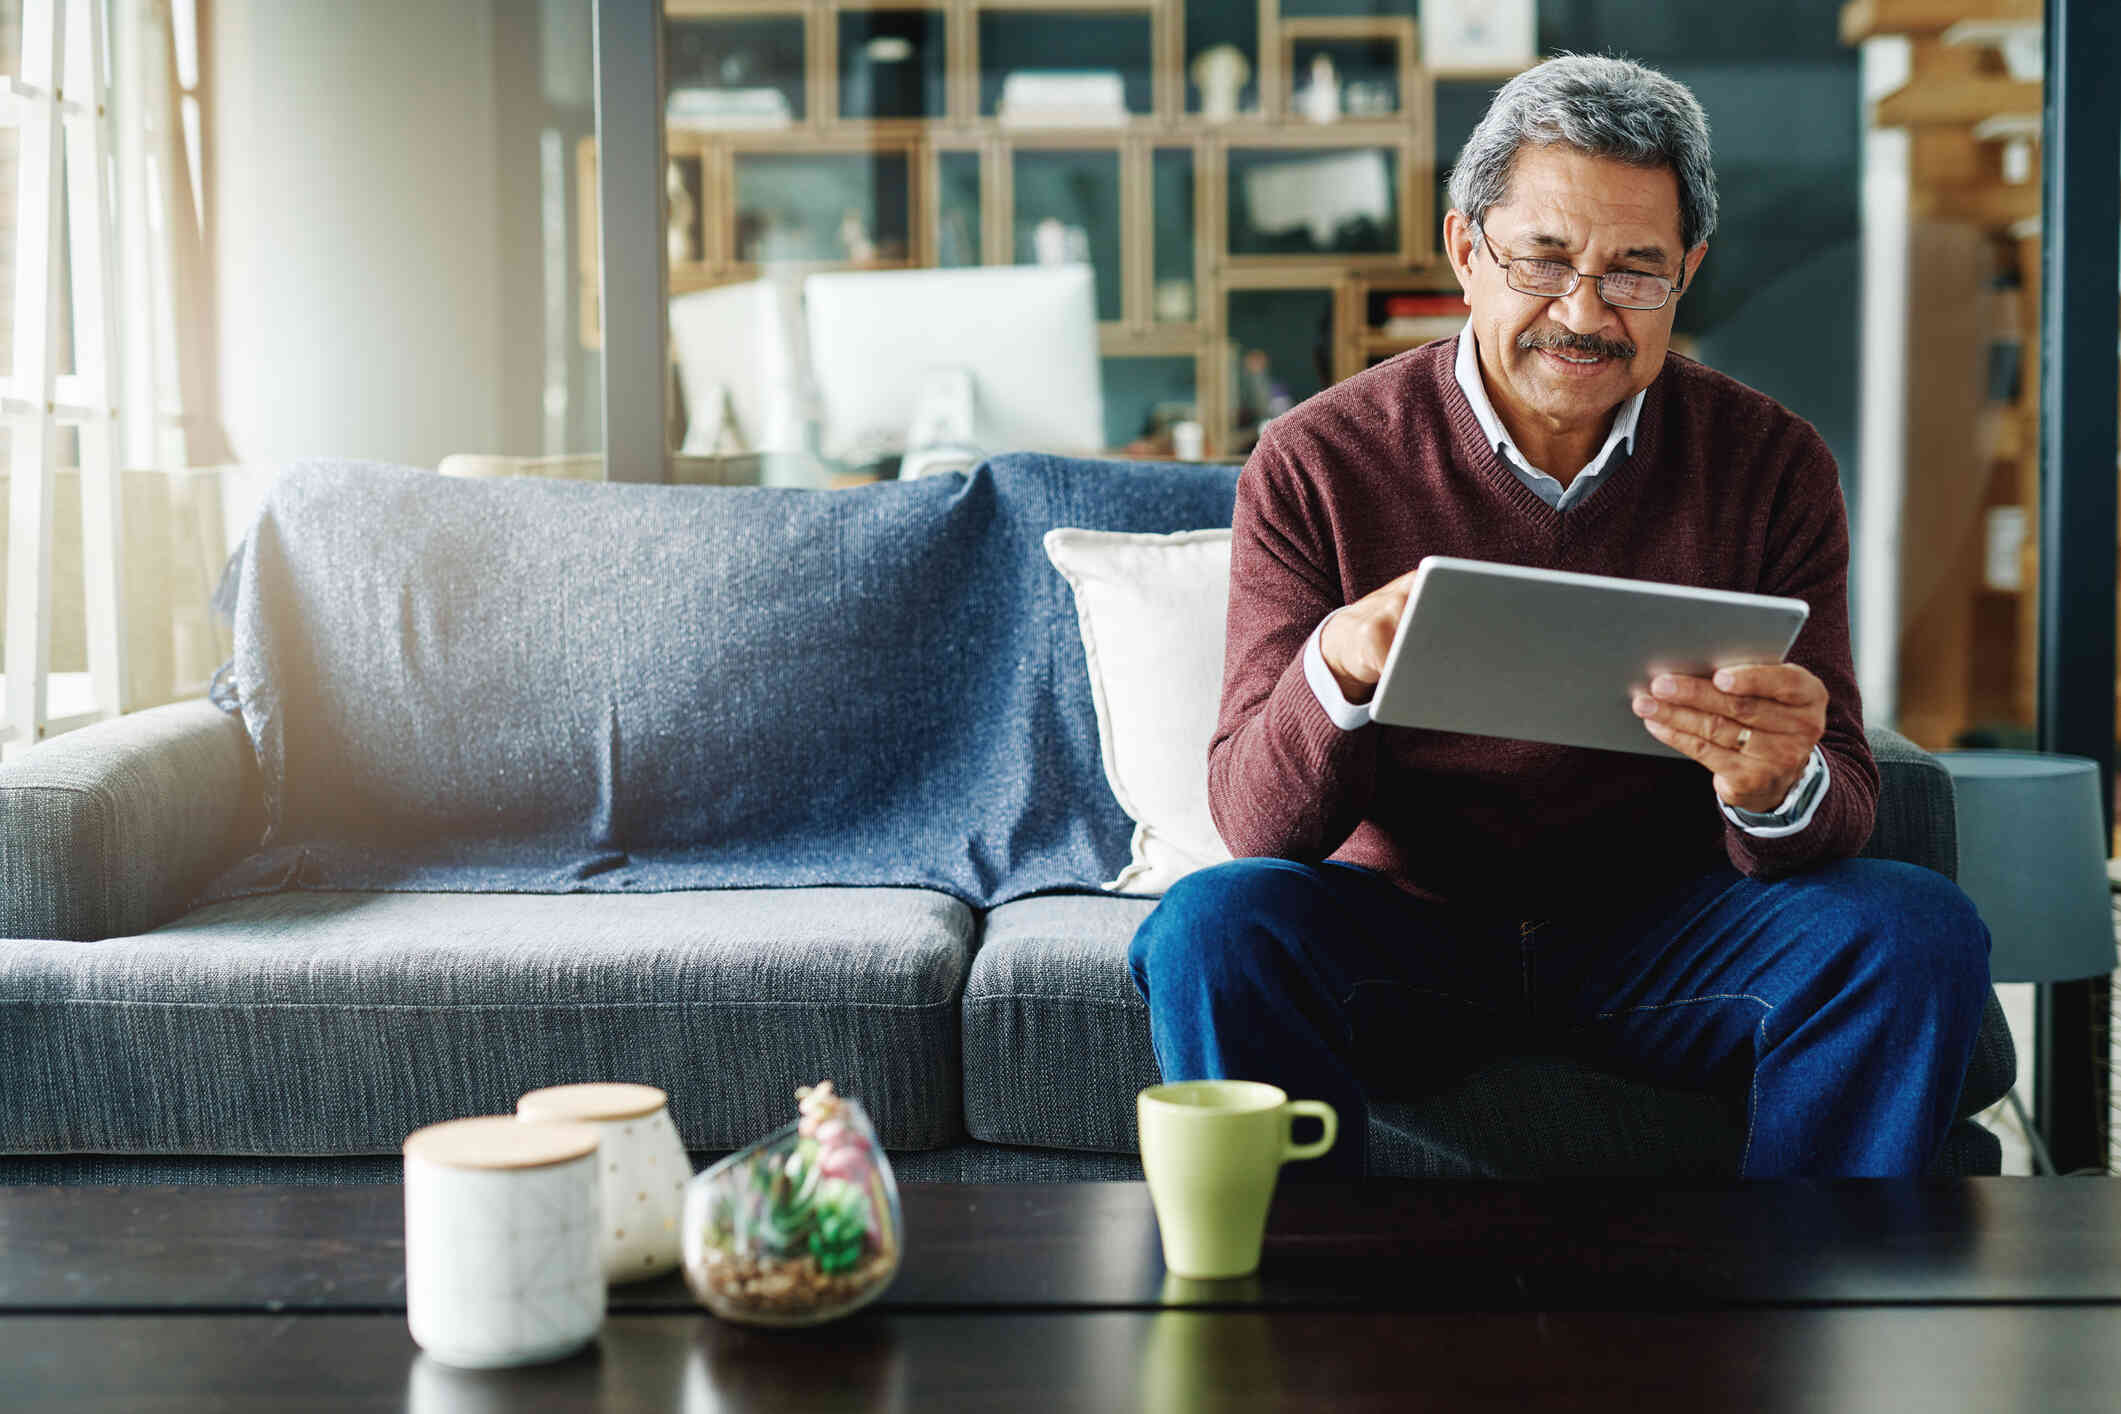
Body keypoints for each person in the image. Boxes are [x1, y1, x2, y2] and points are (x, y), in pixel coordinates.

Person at [1127, 55, 1991, 1179]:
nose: (1583, 313)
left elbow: (1839, 806)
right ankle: (1310, 1327)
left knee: (1914, 930)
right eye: (1544, 259)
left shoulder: (1771, 463)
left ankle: (1801, 1312)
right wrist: (1336, 665)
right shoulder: (1316, 460)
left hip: (1666, 932)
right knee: (1210, 928)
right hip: (1405, 930)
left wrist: (1777, 784)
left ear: (1690, 272)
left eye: (1636, 272)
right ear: (1466, 251)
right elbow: (1257, 822)